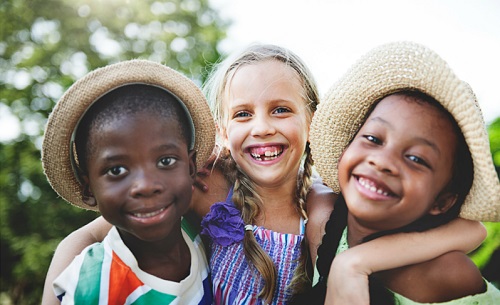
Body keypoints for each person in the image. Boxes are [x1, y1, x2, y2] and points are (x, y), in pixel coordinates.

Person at [41, 44, 486, 305]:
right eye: (242, 114)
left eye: (281, 110)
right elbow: (80, 239)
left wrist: (357, 261)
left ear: (313, 119)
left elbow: (470, 232)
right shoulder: (203, 185)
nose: (262, 127)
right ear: (222, 129)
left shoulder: (325, 207)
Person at [306, 41, 500, 304]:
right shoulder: (323, 213)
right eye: (373, 139)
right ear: (347, 147)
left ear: (442, 201)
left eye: (415, 158)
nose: (382, 161)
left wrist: (353, 264)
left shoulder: (448, 275)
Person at [41, 60, 215, 304]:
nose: (145, 185)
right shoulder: (92, 286)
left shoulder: (201, 224)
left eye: (165, 161)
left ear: (191, 166)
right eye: (117, 170)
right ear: (88, 189)